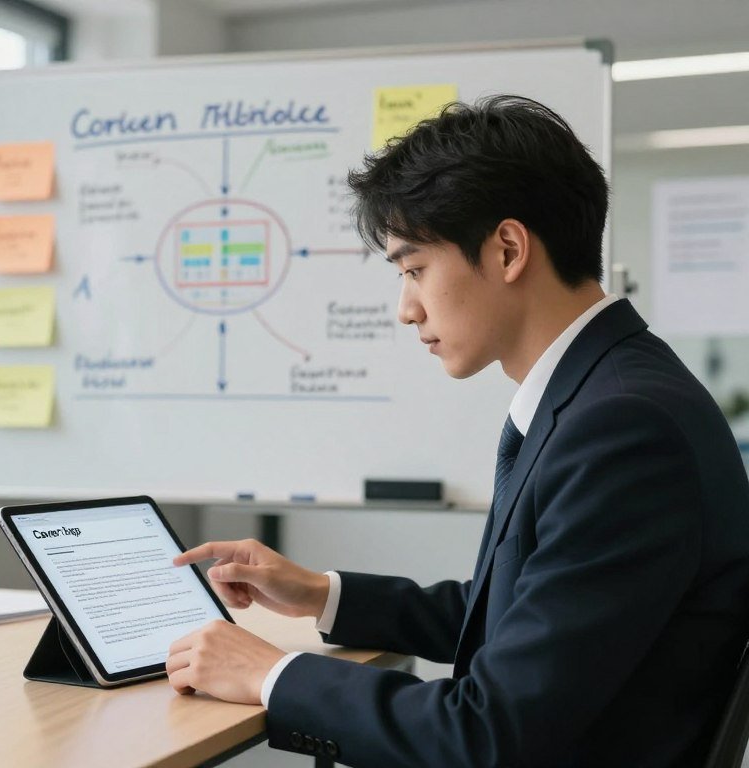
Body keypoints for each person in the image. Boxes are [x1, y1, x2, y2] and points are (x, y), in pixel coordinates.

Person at [164, 95, 749, 767]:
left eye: (414, 269)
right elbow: (514, 613)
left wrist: (268, 674)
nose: (406, 309)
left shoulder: (624, 429)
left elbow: (485, 734)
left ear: (507, 249)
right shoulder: (604, 391)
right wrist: (321, 594)